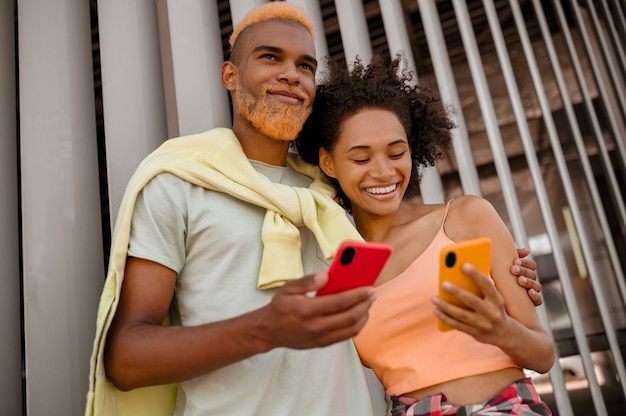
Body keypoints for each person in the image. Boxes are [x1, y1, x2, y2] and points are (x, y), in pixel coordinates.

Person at [85, 3, 541, 416]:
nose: (291, 74)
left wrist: (512, 280)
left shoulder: (332, 199)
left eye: (305, 65)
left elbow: (413, 274)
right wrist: (266, 328)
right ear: (230, 75)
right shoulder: (178, 182)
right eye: (270, 57)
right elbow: (125, 358)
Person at [295, 54, 555, 415]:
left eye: (396, 152)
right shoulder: (340, 267)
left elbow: (544, 355)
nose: (383, 172)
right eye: (361, 159)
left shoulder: (466, 218)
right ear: (328, 163)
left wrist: (500, 329)